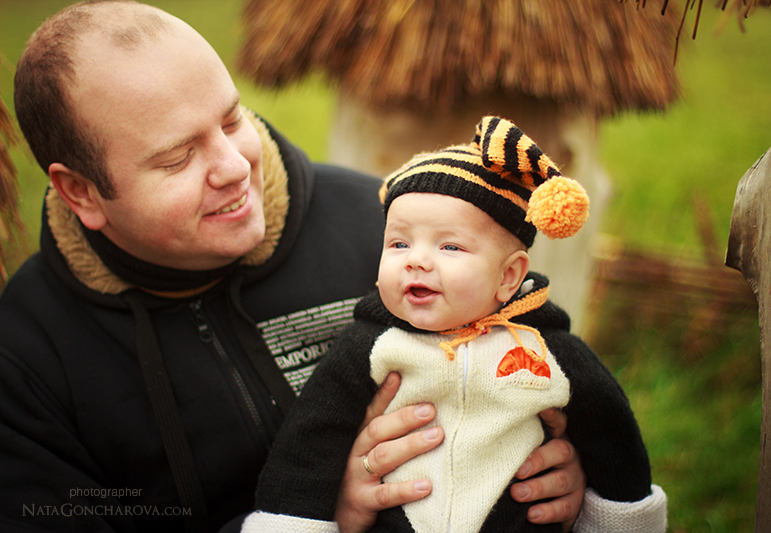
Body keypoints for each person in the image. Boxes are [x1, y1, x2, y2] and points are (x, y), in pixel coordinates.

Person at [0, 2, 587, 532]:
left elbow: (549, 368)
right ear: (81, 192)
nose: (235, 165)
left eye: (232, 119)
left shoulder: (387, 232)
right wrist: (325, 511)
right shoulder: (25, 359)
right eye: (178, 157)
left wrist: (565, 466)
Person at [247, 116, 668, 532]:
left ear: (508, 277)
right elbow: (312, 438)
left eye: (449, 246)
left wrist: (620, 518)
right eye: (399, 243)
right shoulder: (371, 345)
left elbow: (611, 434)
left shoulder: (544, 348)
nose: (416, 259)